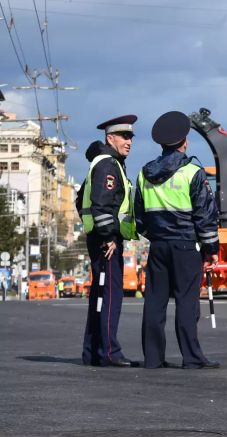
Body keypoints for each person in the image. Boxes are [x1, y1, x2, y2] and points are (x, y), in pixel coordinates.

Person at [135, 111, 220, 369]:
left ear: (161, 144)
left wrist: (157, 236)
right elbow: (205, 215)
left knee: (155, 301)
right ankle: (192, 358)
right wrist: (211, 249)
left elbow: (139, 218)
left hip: (158, 246)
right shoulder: (193, 172)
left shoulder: (144, 174)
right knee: (186, 300)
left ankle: (152, 358)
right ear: (184, 142)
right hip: (186, 246)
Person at [76, 115, 139, 367]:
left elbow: (81, 201)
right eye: (124, 136)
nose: (129, 142)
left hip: (101, 240)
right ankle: (109, 352)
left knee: (99, 296)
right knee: (111, 296)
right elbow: (102, 205)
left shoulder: (103, 163)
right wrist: (109, 236)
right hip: (106, 243)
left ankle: (92, 352)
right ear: (109, 137)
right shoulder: (108, 165)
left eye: (131, 137)